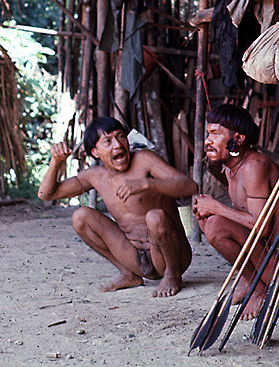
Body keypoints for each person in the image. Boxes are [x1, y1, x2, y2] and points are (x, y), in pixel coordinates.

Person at [38, 117, 197, 297]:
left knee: (154, 216)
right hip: (135, 257)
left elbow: (190, 186)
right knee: (81, 216)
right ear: (95, 152)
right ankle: (129, 274)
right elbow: (46, 195)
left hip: (172, 254)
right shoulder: (96, 176)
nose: (118, 145)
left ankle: (172, 276)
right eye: (108, 141)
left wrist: (147, 183)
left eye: (121, 136)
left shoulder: (144, 160)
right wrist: (56, 161)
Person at [192, 104, 279, 319]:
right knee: (208, 220)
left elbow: (262, 227)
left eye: (216, 134)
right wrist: (209, 210)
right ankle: (249, 279)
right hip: (264, 257)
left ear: (238, 140)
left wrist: (216, 207)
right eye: (208, 134)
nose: (208, 141)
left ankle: (259, 289)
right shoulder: (232, 167)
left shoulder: (253, 166)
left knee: (215, 224)